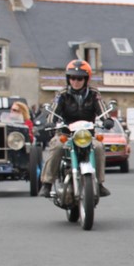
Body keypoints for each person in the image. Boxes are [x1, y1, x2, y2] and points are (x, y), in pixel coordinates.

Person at [38, 59, 110, 198]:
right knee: (58, 146)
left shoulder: (94, 93)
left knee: (99, 147)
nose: (75, 81)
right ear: (68, 78)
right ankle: (47, 183)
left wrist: (107, 119)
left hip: (87, 135)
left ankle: (100, 184)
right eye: (72, 77)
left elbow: (102, 109)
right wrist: (50, 122)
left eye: (79, 78)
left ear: (86, 79)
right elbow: (54, 110)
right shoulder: (62, 94)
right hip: (66, 133)